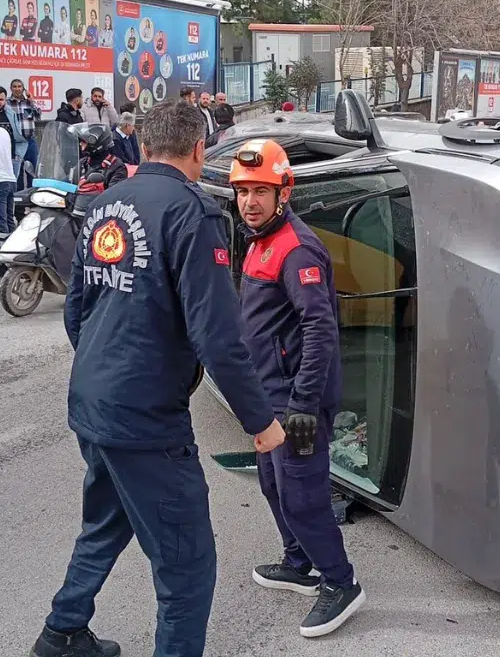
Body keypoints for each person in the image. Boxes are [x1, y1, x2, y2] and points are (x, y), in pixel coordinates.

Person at [31, 99, 286, 657]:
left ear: (143, 147)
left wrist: (107, 369)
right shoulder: (193, 212)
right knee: (187, 568)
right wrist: (261, 422)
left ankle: (62, 632)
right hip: (145, 420)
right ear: (199, 150)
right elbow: (217, 334)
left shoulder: (105, 204)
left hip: (93, 402)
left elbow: (77, 309)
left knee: (106, 522)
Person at [229, 138, 367, 637]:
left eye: (261, 191)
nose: (250, 202)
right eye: (244, 191)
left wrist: (303, 405)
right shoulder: (260, 240)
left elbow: (320, 329)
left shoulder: (296, 248)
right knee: (272, 483)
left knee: (303, 494)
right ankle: (298, 563)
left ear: (283, 193)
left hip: (299, 406)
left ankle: (341, 582)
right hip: (269, 400)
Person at [71, 123, 129, 199]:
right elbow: (70, 189)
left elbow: (115, 197)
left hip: (100, 209)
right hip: (77, 208)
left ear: (96, 144)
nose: (80, 144)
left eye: (84, 141)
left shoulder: (116, 167)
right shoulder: (82, 163)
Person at [9, 79, 42, 186]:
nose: (17, 89)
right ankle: (18, 197)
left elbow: (38, 116)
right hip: (15, 142)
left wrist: (32, 101)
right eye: (14, 86)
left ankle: (32, 195)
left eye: (19, 86)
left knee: (32, 170)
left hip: (30, 141)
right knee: (17, 171)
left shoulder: (29, 102)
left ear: (23, 89)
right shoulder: (8, 103)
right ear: (11, 89)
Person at [0, 116, 14, 234]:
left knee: (1, 220)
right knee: (10, 217)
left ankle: (3, 243)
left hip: (1, 180)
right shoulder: (5, 132)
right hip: (10, 177)